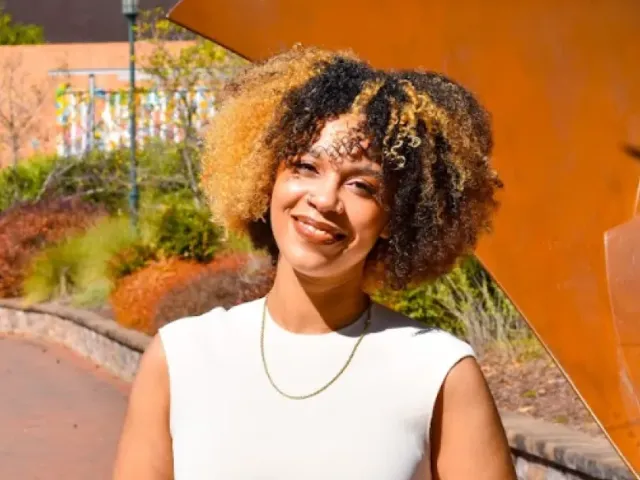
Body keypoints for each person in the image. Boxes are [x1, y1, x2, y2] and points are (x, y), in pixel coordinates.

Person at [112, 45, 517, 479]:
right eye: (306, 166)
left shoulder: (437, 371)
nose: (324, 199)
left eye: (361, 186)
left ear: (395, 218)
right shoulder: (181, 357)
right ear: (267, 177)